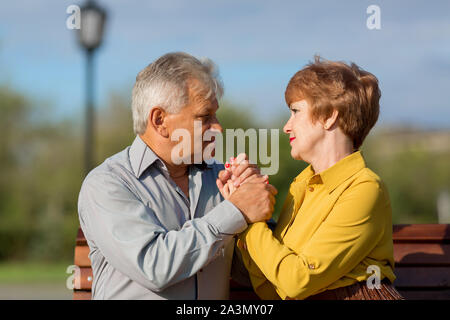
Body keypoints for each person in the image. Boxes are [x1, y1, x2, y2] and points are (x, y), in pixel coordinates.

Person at [77, 52, 276, 299]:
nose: (219, 128)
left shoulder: (222, 178)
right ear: (160, 120)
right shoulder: (108, 183)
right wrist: (236, 211)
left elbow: (252, 274)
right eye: (205, 117)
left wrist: (256, 210)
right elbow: (154, 267)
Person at [221, 56, 404, 300]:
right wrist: (246, 209)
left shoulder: (365, 188)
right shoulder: (302, 185)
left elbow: (297, 281)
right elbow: (271, 288)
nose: (287, 126)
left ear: (329, 117)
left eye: (296, 111)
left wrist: (252, 222)